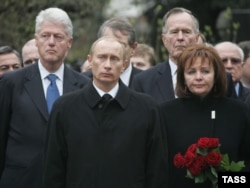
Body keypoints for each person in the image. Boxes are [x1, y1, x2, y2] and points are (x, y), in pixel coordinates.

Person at [43, 36, 168, 188]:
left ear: (124, 64)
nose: (107, 65)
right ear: (90, 60)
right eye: (102, 57)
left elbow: (156, 171)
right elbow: (53, 170)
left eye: (114, 59)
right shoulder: (64, 108)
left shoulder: (147, 108)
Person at [0, 7, 90, 188]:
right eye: (45, 36)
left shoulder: (85, 86)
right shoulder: (11, 82)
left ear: (69, 42)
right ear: (36, 40)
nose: (51, 42)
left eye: (58, 37)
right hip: (20, 180)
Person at [160, 44, 250, 188]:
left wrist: (224, 181)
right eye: (191, 72)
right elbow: (158, 166)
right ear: (182, 77)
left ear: (216, 75)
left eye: (205, 71)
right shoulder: (165, 113)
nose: (198, 77)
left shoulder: (238, 112)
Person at [131, 7, 236, 103]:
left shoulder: (221, 78)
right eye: (174, 32)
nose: (180, 37)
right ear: (164, 40)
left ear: (196, 38)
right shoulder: (144, 82)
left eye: (186, 31)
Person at [83, 17, 142, 87]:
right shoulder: (81, 82)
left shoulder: (148, 82)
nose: (112, 50)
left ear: (133, 49)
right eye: (107, 44)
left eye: (121, 45)